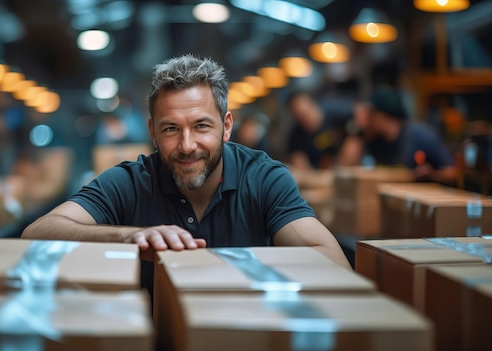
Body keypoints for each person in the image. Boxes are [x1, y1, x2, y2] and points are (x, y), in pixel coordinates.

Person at [21, 54, 350, 293]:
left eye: (202, 125)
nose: (187, 145)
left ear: (227, 127)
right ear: (152, 132)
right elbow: (36, 233)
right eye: (170, 129)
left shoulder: (264, 178)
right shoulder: (130, 181)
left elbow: (336, 264)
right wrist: (127, 237)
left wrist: (230, 265)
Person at [344, 86, 457, 185]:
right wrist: (357, 131)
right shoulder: (373, 139)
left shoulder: (420, 136)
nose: (366, 119)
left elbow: (452, 172)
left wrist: (433, 175)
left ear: (381, 115)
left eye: (369, 114)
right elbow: (345, 172)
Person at [284, 91, 350, 170]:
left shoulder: (335, 111)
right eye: (300, 116)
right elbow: (297, 159)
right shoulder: (296, 135)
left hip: (345, 166)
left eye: (306, 112)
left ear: (312, 104)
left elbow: (361, 115)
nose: (306, 119)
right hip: (317, 172)